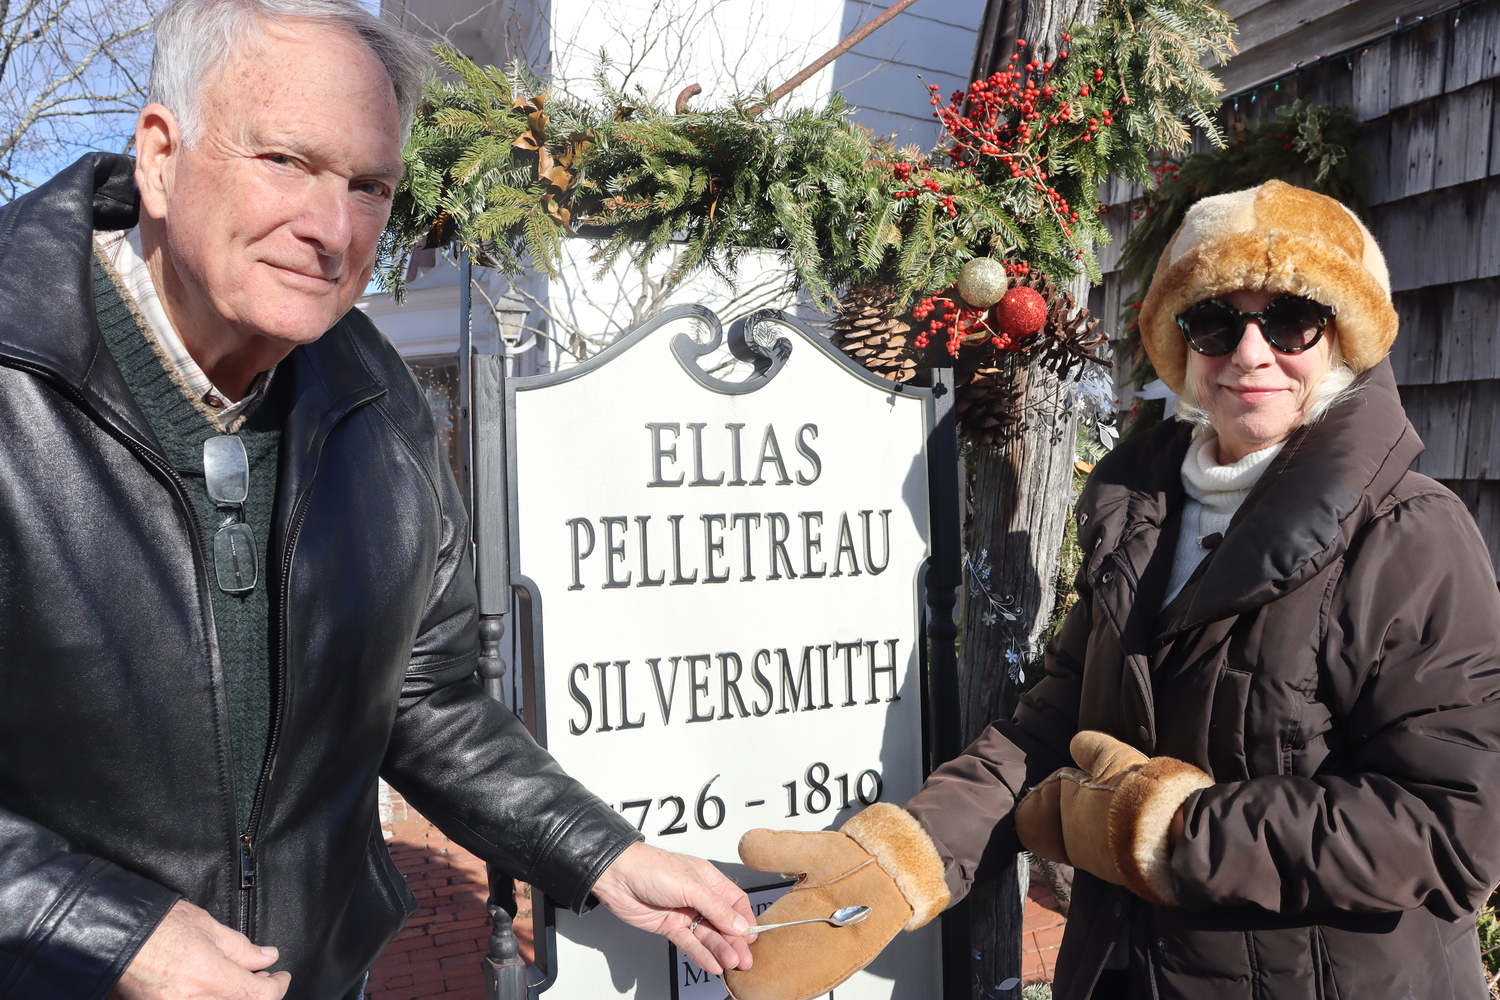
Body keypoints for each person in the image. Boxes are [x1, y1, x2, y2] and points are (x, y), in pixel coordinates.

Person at [0, 2, 755, 998]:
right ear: (160, 155)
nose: (329, 228)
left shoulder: (378, 406)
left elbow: (423, 698)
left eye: (369, 187)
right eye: (284, 161)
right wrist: (106, 931)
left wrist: (607, 853)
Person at [722, 180, 1500, 1000]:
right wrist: (910, 854)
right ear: (1180, 340)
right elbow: (1057, 720)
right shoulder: (1143, 510)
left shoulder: (1409, 533)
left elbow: (1453, 830)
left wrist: (1167, 832)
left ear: (1344, 334)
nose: (1249, 351)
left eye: (1290, 318)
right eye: (1214, 320)